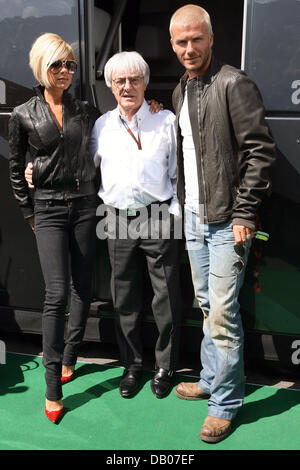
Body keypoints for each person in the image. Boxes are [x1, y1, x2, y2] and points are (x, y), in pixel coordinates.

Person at [169, 4, 276, 442]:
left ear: (211, 39)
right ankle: (212, 380)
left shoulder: (234, 83)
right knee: (207, 306)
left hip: (227, 221)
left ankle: (225, 403)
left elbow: (260, 152)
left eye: (197, 39)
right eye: (181, 41)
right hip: (195, 216)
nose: (189, 48)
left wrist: (245, 212)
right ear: (173, 44)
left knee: (223, 316)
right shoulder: (181, 89)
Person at [8, 33, 100, 423]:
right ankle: (51, 386)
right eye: (57, 65)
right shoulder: (22, 114)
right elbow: (16, 167)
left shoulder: (86, 110)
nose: (65, 72)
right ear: (41, 67)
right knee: (56, 293)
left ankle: (70, 355)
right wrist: (28, 212)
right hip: (46, 210)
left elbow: (113, 136)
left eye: (70, 65)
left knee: (84, 287)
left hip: (83, 207)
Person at [90, 51, 181, 399]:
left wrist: (174, 212)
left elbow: (178, 173)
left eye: (134, 79)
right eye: (120, 81)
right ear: (111, 86)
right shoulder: (101, 126)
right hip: (115, 218)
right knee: (124, 297)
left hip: (158, 215)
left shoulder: (166, 121)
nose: (127, 86)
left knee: (166, 298)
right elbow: (84, 167)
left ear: (145, 82)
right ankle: (132, 365)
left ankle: (164, 366)